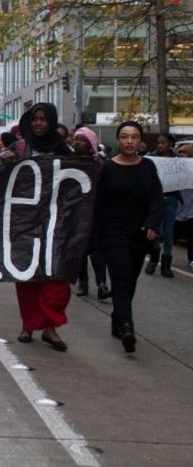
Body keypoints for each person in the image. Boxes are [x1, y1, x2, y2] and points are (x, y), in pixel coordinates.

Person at [0, 103, 72, 352]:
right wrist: (5, 162)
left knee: (56, 275)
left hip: (54, 221)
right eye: (35, 119)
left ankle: (50, 327)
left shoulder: (64, 150)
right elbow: (1, 178)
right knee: (27, 274)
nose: (39, 123)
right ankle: (28, 325)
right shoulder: (19, 148)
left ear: (51, 122)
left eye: (44, 119)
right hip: (25, 220)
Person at [95, 121, 163, 353]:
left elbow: (157, 198)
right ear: (118, 140)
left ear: (140, 141)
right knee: (122, 277)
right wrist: (95, 235)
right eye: (125, 137)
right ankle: (127, 327)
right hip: (114, 232)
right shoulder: (108, 168)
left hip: (140, 232)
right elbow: (98, 203)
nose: (130, 141)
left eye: (134, 137)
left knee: (130, 279)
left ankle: (117, 317)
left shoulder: (148, 167)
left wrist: (153, 224)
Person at [70, 127, 109, 299]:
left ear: (91, 144)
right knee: (80, 249)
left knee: (97, 250)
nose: (78, 142)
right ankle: (83, 282)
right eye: (76, 139)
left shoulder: (100, 164)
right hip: (75, 212)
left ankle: (102, 284)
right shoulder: (68, 162)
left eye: (83, 140)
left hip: (95, 213)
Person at [144, 133, 178, 278]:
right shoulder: (151, 158)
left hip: (171, 198)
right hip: (155, 199)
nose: (160, 145)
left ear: (170, 143)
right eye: (158, 143)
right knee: (154, 230)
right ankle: (153, 259)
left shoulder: (178, 160)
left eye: (163, 143)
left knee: (168, 232)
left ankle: (166, 264)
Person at [174, 145, 193, 269]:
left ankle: (192, 259)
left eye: (185, 152)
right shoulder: (175, 169)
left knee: (192, 236)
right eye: (180, 152)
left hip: (191, 210)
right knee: (172, 236)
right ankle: (162, 256)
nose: (182, 155)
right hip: (177, 209)